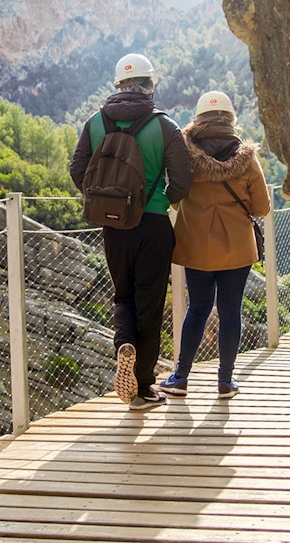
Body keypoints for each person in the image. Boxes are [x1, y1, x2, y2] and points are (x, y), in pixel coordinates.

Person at [70, 53, 192, 410]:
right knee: (149, 305)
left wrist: (102, 200)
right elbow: (183, 179)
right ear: (150, 86)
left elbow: (78, 169)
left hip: (113, 224)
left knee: (122, 296)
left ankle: (124, 343)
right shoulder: (164, 126)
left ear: (119, 85)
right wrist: (162, 201)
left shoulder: (95, 122)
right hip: (152, 225)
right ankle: (142, 387)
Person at [162, 90, 270, 399]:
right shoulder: (247, 159)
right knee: (230, 309)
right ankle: (225, 382)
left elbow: (176, 196)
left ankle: (180, 377)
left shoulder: (184, 153)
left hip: (195, 245)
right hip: (237, 247)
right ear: (231, 119)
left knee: (197, 308)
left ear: (199, 119)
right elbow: (261, 208)